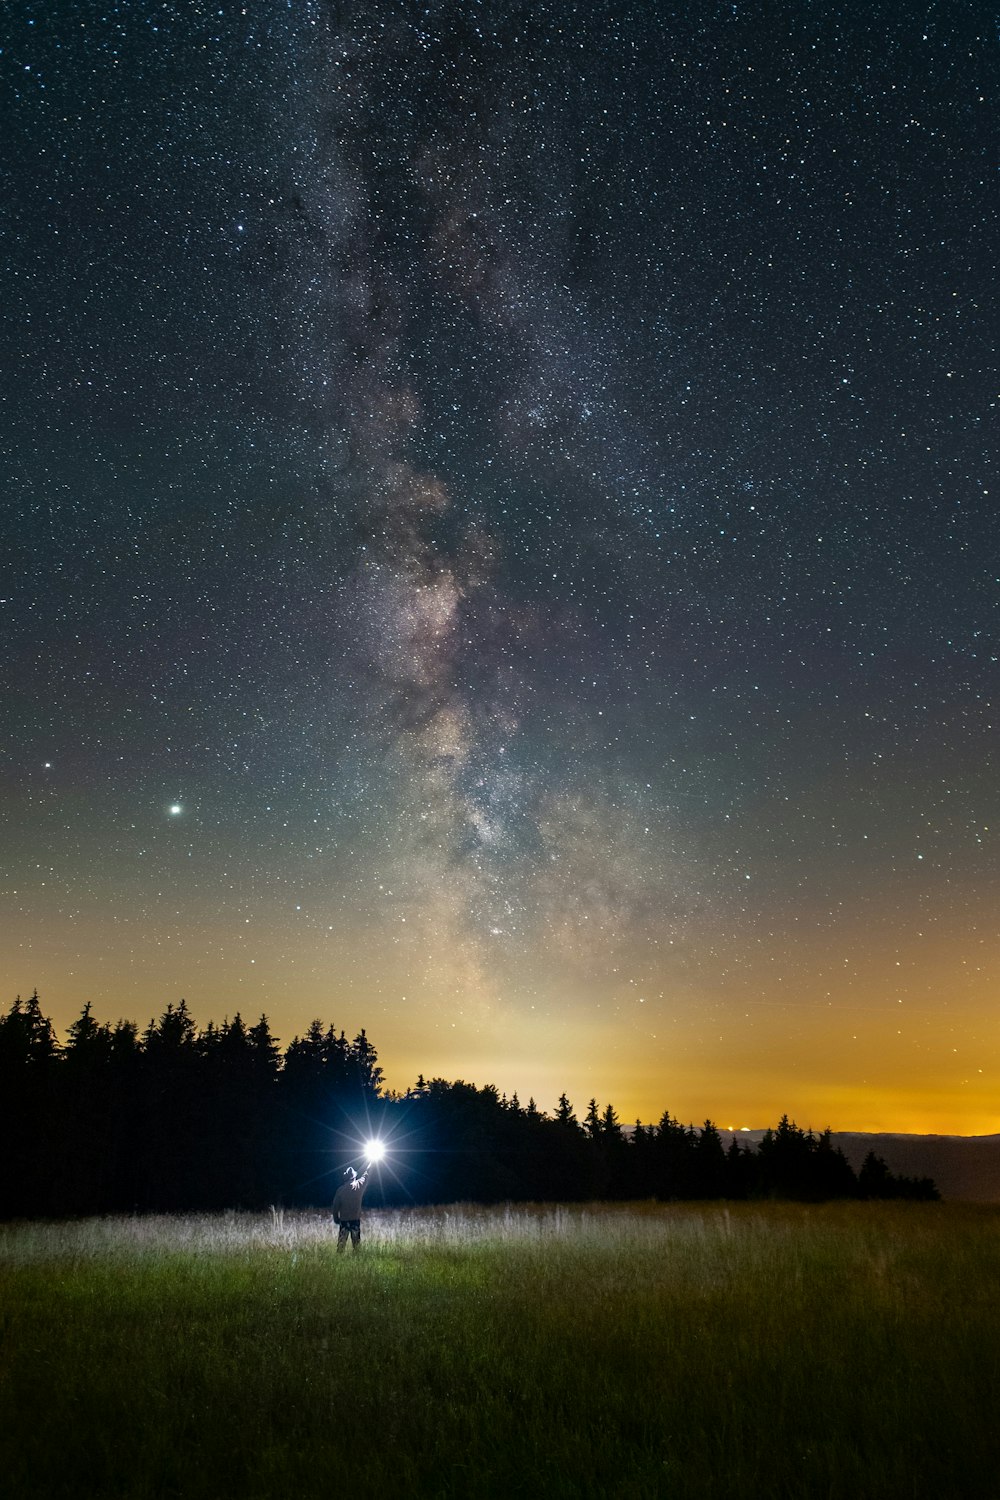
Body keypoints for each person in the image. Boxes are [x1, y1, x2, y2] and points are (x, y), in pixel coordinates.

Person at [332, 1164, 370, 1252]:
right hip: (355, 1221)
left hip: (344, 1221)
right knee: (356, 1247)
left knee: (341, 1246)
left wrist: (336, 1218)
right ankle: (357, 1263)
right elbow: (366, 1175)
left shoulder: (340, 1190)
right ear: (354, 1177)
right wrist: (371, 1163)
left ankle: (339, 1262)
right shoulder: (359, 1185)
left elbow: (335, 1207)